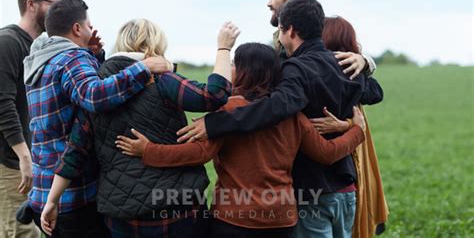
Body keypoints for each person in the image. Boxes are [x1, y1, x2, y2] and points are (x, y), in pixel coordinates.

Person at [177, 0, 383, 238]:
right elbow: (374, 91)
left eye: (280, 31)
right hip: (346, 186)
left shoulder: (295, 69)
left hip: (311, 188)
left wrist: (216, 123)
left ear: (290, 31)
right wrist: (365, 63)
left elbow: (278, 106)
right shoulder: (347, 66)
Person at [115, 42, 367, 238]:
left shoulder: (229, 109)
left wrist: (148, 150)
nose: (231, 69)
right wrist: (357, 131)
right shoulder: (291, 114)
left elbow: (196, 154)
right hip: (281, 220)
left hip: (235, 219)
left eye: (234, 64)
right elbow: (326, 153)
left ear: (246, 70)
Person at [40, 18, 240, 238]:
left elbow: (74, 152)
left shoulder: (96, 89)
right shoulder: (162, 81)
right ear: (153, 44)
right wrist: (224, 48)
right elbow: (215, 95)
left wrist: (52, 200)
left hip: (121, 215)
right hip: (176, 208)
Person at [23, 0, 171, 237]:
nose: (92, 31)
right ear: (77, 28)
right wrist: (144, 68)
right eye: (89, 26)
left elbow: (73, 96)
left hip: (44, 192)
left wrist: (95, 55)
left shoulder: (40, 63)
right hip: (75, 195)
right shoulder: (72, 59)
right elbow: (94, 96)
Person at [311, 16, 389, 237]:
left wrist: (365, 62)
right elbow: (374, 93)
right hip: (344, 176)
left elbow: (375, 93)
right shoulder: (350, 75)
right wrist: (365, 63)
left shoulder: (317, 71)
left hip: (318, 182)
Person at [0, 0, 61, 238]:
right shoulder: (7, 42)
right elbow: (2, 102)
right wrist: (24, 157)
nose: (57, 10)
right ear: (31, 4)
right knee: (19, 232)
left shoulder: (37, 48)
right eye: (52, 3)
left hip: (30, 162)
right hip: (11, 164)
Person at [267, 0, 376, 79]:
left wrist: (364, 61)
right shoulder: (279, 39)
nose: (268, 3)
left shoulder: (324, 28)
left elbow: (341, 65)